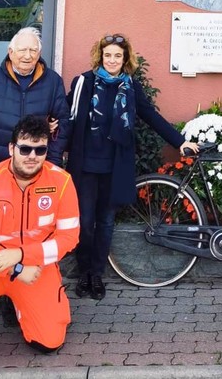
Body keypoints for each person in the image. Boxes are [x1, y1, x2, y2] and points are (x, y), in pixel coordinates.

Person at [65, 33, 198, 300]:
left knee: (105, 222)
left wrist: (180, 141)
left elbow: (151, 116)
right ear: (100, 57)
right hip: (85, 167)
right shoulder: (84, 83)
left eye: (117, 55)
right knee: (84, 221)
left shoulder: (130, 87)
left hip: (114, 167)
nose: (112, 60)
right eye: (108, 55)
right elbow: (65, 114)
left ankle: (97, 274)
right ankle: (84, 273)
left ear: (125, 59)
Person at [0, 115, 80, 376]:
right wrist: (16, 268)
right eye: (25, 148)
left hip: (36, 270)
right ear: (12, 148)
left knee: (49, 342)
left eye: (40, 149)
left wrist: (22, 255)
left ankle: (17, 303)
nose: (32, 156)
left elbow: (69, 237)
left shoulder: (63, 182)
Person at [0, 27, 70, 179]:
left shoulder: (53, 82)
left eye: (33, 50)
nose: (28, 56)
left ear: (39, 54)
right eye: (22, 50)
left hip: (36, 168)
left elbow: (62, 128)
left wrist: (52, 164)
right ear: (11, 52)